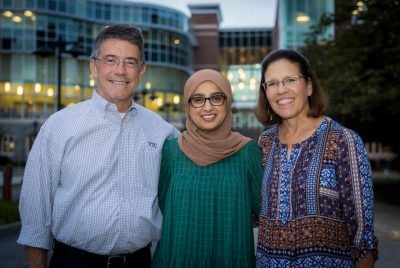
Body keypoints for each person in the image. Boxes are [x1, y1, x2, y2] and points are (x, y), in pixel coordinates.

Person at [17, 24, 179, 268]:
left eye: (131, 62)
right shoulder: (59, 126)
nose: (121, 70)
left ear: (142, 70)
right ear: (94, 67)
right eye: (111, 60)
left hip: (140, 262)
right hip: (74, 262)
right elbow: (35, 211)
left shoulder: (164, 132)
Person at [254, 49, 378, 267]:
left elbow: (363, 239)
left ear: (309, 86)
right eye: (271, 84)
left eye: (290, 80)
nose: (281, 90)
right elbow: (254, 213)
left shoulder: (343, 140)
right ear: (265, 92)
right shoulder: (264, 143)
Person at [151, 69, 263, 268]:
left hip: (232, 259)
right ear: (188, 104)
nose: (207, 107)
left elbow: (266, 212)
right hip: (177, 258)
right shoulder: (171, 151)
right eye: (198, 99)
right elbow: (161, 206)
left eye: (216, 98)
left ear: (227, 101)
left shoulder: (248, 152)